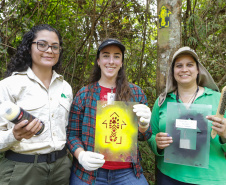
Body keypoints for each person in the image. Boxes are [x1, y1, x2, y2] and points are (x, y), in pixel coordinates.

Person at [67, 38, 152, 185]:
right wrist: (81, 155)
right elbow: (72, 134)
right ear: (98, 61)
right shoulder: (84, 94)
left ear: (122, 62)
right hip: (89, 172)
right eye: (106, 55)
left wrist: (144, 126)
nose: (111, 61)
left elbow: (145, 136)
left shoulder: (136, 93)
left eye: (117, 56)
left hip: (127, 171)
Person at [0, 24, 73, 185]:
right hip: (22, 170)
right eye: (42, 44)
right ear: (29, 48)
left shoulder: (65, 87)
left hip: (61, 169)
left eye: (55, 47)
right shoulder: (9, 85)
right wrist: (14, 135)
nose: (49, 50)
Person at [148, 46, 226, 185]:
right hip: (169, 176)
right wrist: (157, 144)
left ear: (198, 70)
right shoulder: (162, 102)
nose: (184, 69)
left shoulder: (218, 99)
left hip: (211, 178)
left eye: (189, 65)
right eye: (179, 66)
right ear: (173, 72)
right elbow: (151, 135)